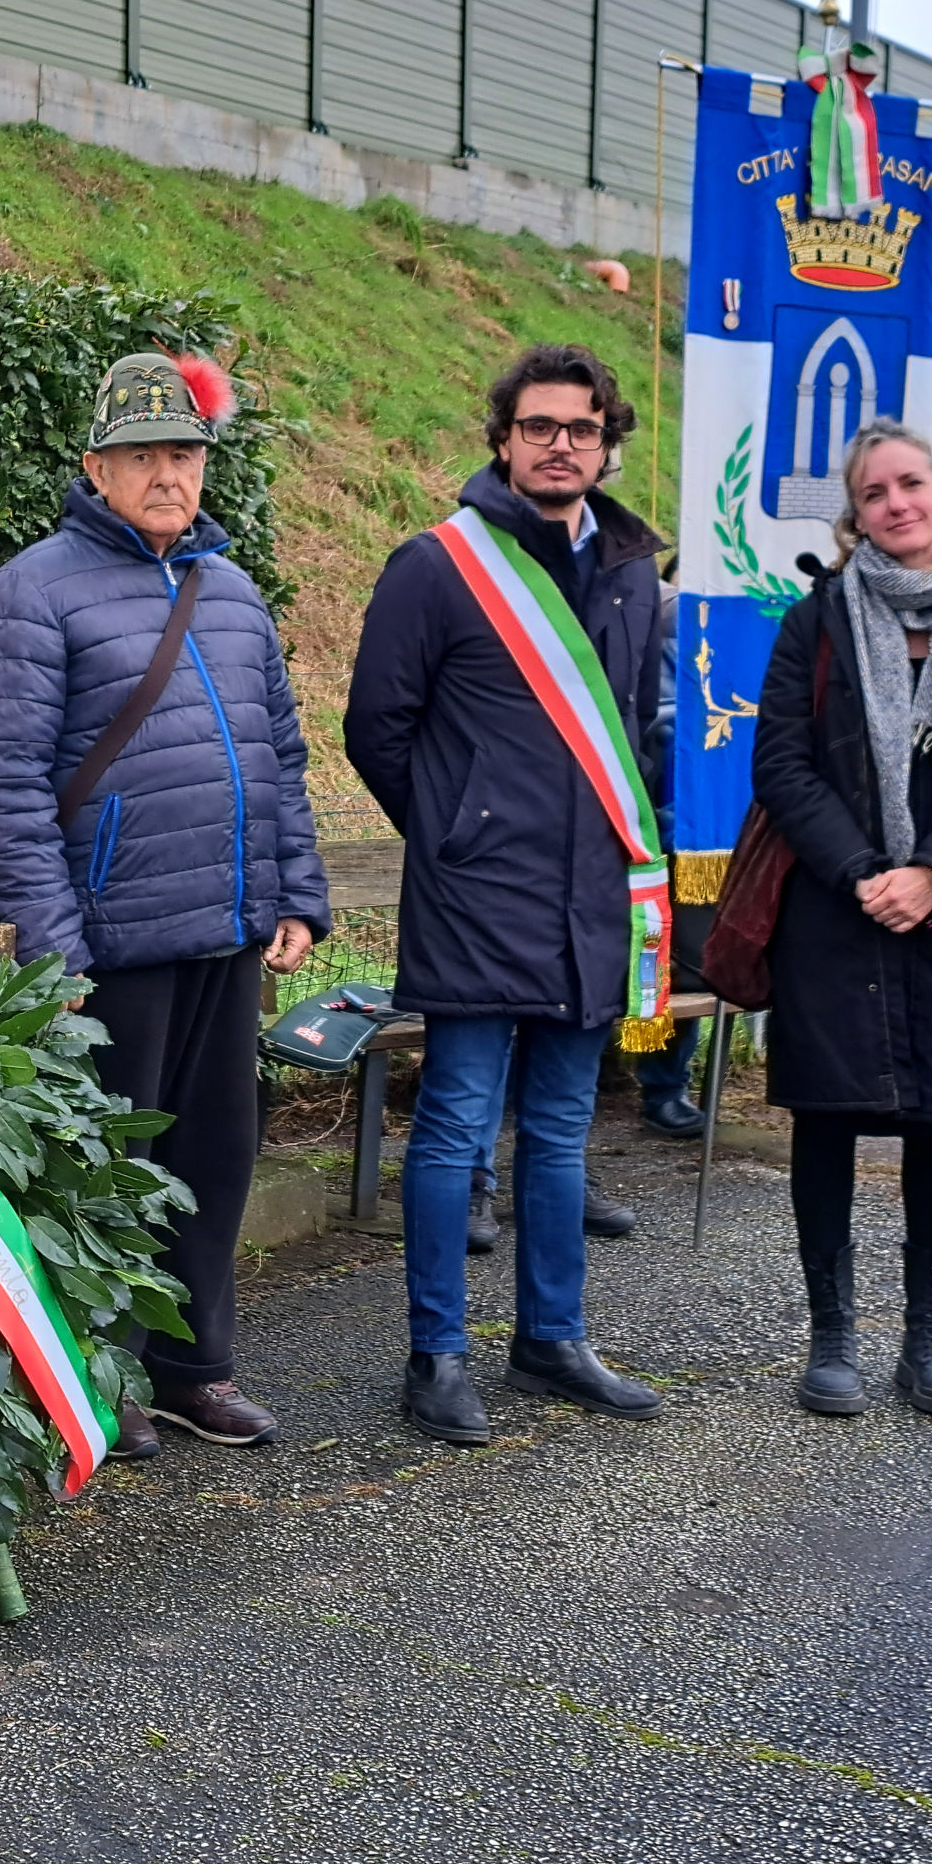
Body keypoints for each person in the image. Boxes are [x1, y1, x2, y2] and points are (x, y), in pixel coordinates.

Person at [0, 353, 330, 1455]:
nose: (166, 473)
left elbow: (277, 752)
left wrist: (293, 892)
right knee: (102, 1168)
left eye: (181, 452)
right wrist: (52, 943)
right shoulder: (29, 592)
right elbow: (8, 785)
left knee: (213, 1158)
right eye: (141, 455)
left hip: (222, 928)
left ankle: (192, 1367)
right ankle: (90, 1373)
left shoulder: (230, 590)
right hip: (108, 943)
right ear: (95, 467)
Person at [345, 345, 670, 1447]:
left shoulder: (631, 569)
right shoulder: (436, 565)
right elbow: (375, 729)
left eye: (578, 427)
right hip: (479, 895)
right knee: (449, 1133)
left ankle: (551, 1335)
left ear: (603, 441)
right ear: (502, 438)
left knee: (564, 1135)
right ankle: (434, 1354)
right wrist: (455, 828)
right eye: (537, 426)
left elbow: (632, 727)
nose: (558, 444)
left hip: (588, 899)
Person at [749, 418, 932, 1419]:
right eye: (874, 493)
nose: (896, 504)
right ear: (854, 513)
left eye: (909, 484)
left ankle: (927, 1339)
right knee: (826, 1116)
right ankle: (829, 1336)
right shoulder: (818, 617)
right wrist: (864, 871)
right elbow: (780, 764)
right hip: (837, 910)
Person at [634, 569, 707, 1140]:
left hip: (694, 835)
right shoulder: (657, 612)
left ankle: (663, 1083)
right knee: (651, 955)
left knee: (678, 960)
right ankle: (654, 1083)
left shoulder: (711, 626)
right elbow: (663, 726)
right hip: (640, 826)